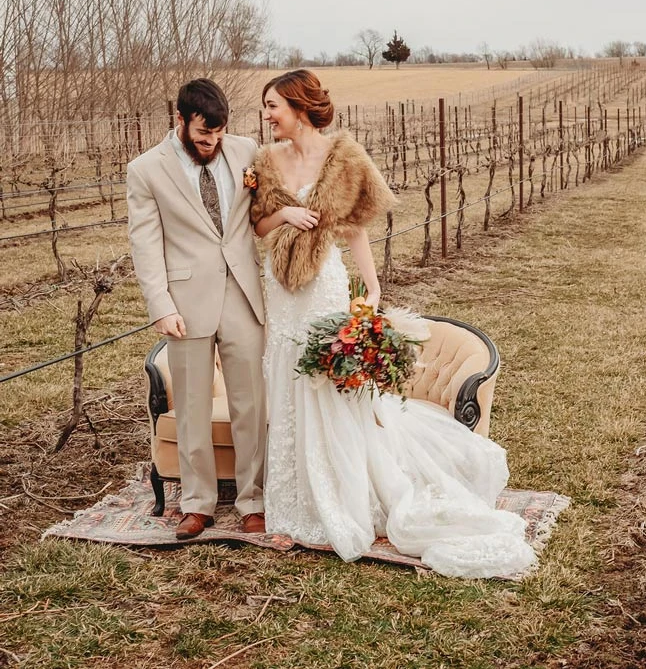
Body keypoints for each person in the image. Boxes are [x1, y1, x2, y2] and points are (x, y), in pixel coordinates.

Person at [250, 69, 536, 578]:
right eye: (265, 106)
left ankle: (345, 494)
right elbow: (258, 224)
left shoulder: (342, 157)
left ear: (299, 106)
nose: (267, 114)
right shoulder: (266, 160)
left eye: (273, 105)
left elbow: (356, 228)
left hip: (324, 286)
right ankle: (294, 502)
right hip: (282, 290)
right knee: (287, 378)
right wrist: (285, 219)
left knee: (331, 384)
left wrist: (373, 289)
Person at [127, 78, 267, 540]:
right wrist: (160, 306)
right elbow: (145, 245)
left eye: (220, 135)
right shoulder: (146, 170)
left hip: (243, 294)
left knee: (251, 401)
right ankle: (197, 503)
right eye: (205, 135)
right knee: (190, 405)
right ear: (182, 120)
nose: (213, 143)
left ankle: (253, 499)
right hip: (184, 303)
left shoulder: (247, 151)